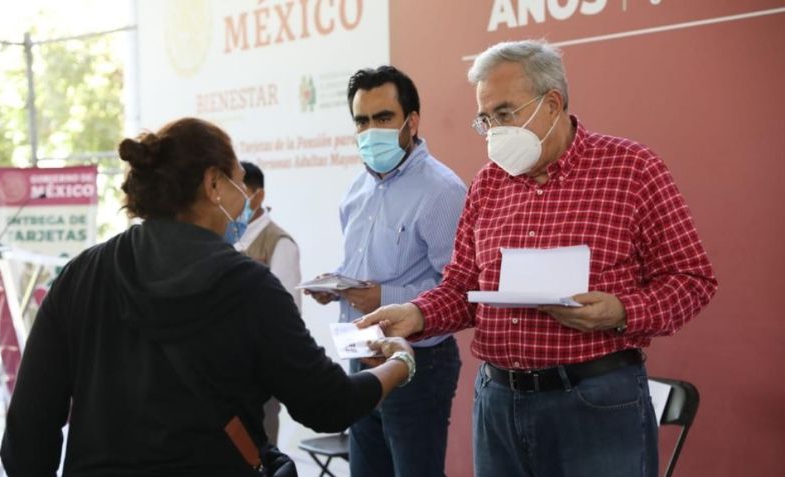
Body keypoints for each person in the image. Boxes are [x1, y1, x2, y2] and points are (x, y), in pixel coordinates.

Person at [358, 40, 718, 477]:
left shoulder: (632, 169)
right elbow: (462, 288)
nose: (494, 131)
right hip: (499, 401)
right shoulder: (488, 183)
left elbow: (692, 279)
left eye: (505, 113)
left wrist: (622, 311)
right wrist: (415, 314)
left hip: (595, 400)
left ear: (552, 103)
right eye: (486, 118)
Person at [0, 117, 416, 477]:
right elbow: (327, 405)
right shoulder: (250, 287)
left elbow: (29, 423)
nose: (244, 201)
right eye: (238, 183)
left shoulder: (82, 275)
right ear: (213, 183)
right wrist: (400, 362)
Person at [306, 66, 466, 477]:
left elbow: (459, 287)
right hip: (361, 355)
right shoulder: (357, 189)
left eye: (383, 118)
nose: (370, 130)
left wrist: (386, 298)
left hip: (419, 363)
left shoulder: (443, 190)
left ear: (411, 122)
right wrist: (335, 284)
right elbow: (362, 266)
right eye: (362, 120)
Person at [235, 161, 302, 446]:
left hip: (259, 379)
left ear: (257, 196)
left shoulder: (279, 243)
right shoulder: (225, 238)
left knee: (259, 455)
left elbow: (286, 318)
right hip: (225, 379)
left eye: (239, 191)